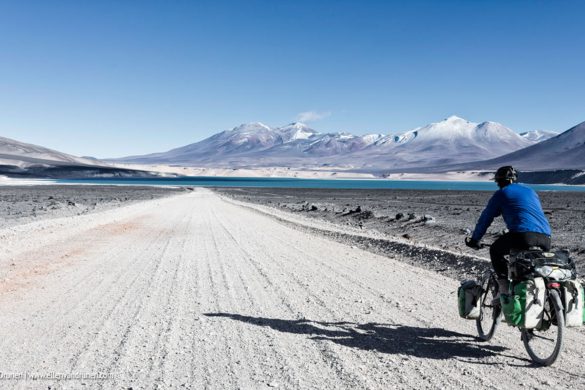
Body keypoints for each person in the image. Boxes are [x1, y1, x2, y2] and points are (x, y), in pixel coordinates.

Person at [465, 166, 552, 297]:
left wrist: (475, 240)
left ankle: (503, 288)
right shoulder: (531, 191)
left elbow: (485, 219)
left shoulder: (501, 193)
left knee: (495, 250)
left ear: (499, 181)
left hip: (522, 236)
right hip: (546, 238)